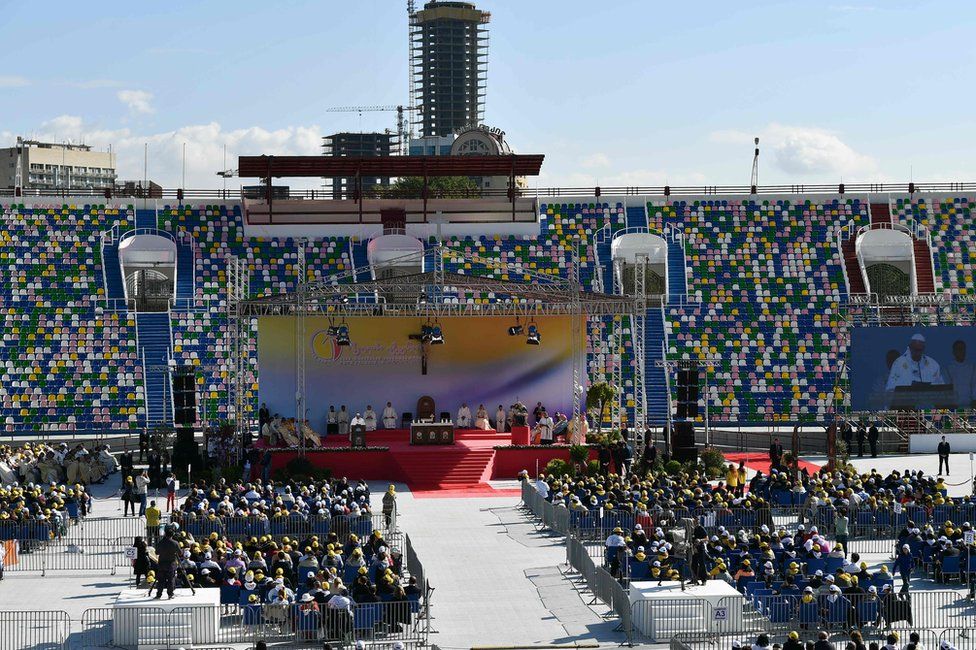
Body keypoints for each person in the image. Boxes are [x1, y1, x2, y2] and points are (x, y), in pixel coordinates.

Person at [945, 339, 976, 408]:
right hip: (954, 405)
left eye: (963, 349)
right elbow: (947, 387)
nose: (961, 351)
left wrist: (974, 399)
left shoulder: (972, 367)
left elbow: (974, 385)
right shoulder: (948, 368)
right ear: (954, 352)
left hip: (970, 404)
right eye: (958, 349)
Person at [154, 524, 181, 599]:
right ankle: (170, 594)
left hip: (162, 564)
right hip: (171, 564)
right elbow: (180, 553)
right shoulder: (175, 543)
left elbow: (156, 552)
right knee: (170, 580)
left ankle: (159, 594)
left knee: (160, 580)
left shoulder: (161, 542)